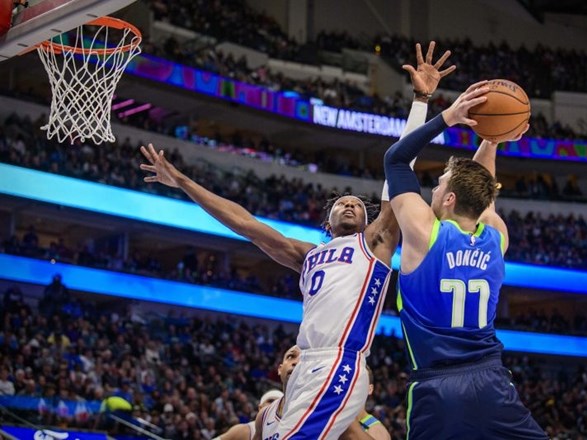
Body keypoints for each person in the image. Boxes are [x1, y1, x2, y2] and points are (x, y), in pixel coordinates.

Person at [141, 42, 455, 440]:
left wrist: (422, 99)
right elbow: (244, 223)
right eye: (341, 203)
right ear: (327, 221)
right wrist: (183, 181)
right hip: (304, 368)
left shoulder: (375, 243)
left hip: (340, 364)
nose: (349, 206)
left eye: (357, 205)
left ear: (367, 218)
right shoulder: (307, 256)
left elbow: (399, 167)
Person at [383, 81, 546, 439]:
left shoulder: (425, 233)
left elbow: (394, 159)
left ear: (451, 198)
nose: (434, 189)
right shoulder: (495, 235)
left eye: (439, 184)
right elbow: (482, 189)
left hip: (438, 387)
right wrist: (492, 139)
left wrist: (448, 117)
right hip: (492, 381)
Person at [218, 388, 285, 440]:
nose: (274, 405)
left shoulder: (290, 429)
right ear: (260, 408)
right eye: (270, 401)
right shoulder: (244, 430)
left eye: (279, 402)